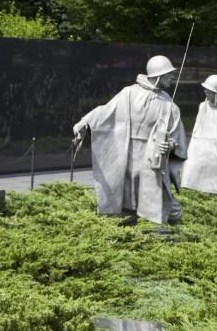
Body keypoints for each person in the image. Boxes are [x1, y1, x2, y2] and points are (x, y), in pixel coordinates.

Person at [73, 55, 186, 225]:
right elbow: (106, 111)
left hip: (151, 158)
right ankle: (130, 231)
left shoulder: (169, 104)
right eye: (169, 74)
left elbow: (176, 138)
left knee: (166, 205)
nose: (172, 77)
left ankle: (170, 234)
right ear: (158, 75)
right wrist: (85, 123)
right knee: (128, 200)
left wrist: (169, 145)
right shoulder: (129, 93)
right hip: (127, 153)